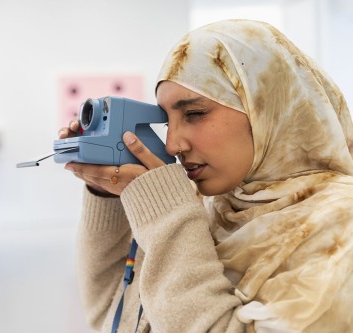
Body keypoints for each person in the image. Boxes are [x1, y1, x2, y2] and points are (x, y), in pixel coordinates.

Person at [59, 19, 353, 332]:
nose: (173, 144)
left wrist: (167, 219)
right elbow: (111, 312)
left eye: (194, 114)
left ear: (266, 108)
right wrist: (107, 195)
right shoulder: (210, 205)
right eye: (167, 120)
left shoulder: (340, 226)